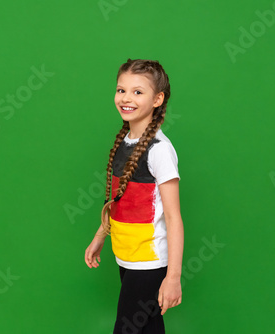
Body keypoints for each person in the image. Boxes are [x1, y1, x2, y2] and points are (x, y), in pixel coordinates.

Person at [84, 58, 184, 334]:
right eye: (121, 90)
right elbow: (120, 203)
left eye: (138, 92)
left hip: (149, 262)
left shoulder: (159, 150)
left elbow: (174, 218)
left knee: (126, 329)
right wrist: (100, 236)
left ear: (157, 99)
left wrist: (173, 277)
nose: (126, 98)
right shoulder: (125, 142)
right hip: (126, 255)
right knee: (148, 327)